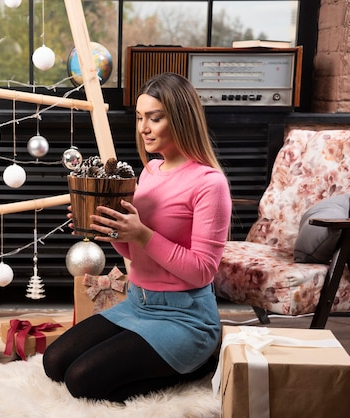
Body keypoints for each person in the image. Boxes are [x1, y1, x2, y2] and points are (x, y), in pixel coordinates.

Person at [43, 72, 232, 402]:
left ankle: (198, 364)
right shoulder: (150, 171)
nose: (144, 127)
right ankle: (162, 362)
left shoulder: (209, 184)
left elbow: (203, 270)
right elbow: (133, 251)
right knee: (55, 362)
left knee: (81, 381)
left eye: (155, 118)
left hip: (186, 318)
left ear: (181, 119)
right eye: (140, 117)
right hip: (137, 304)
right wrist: (104, 226)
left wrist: (143, 234)